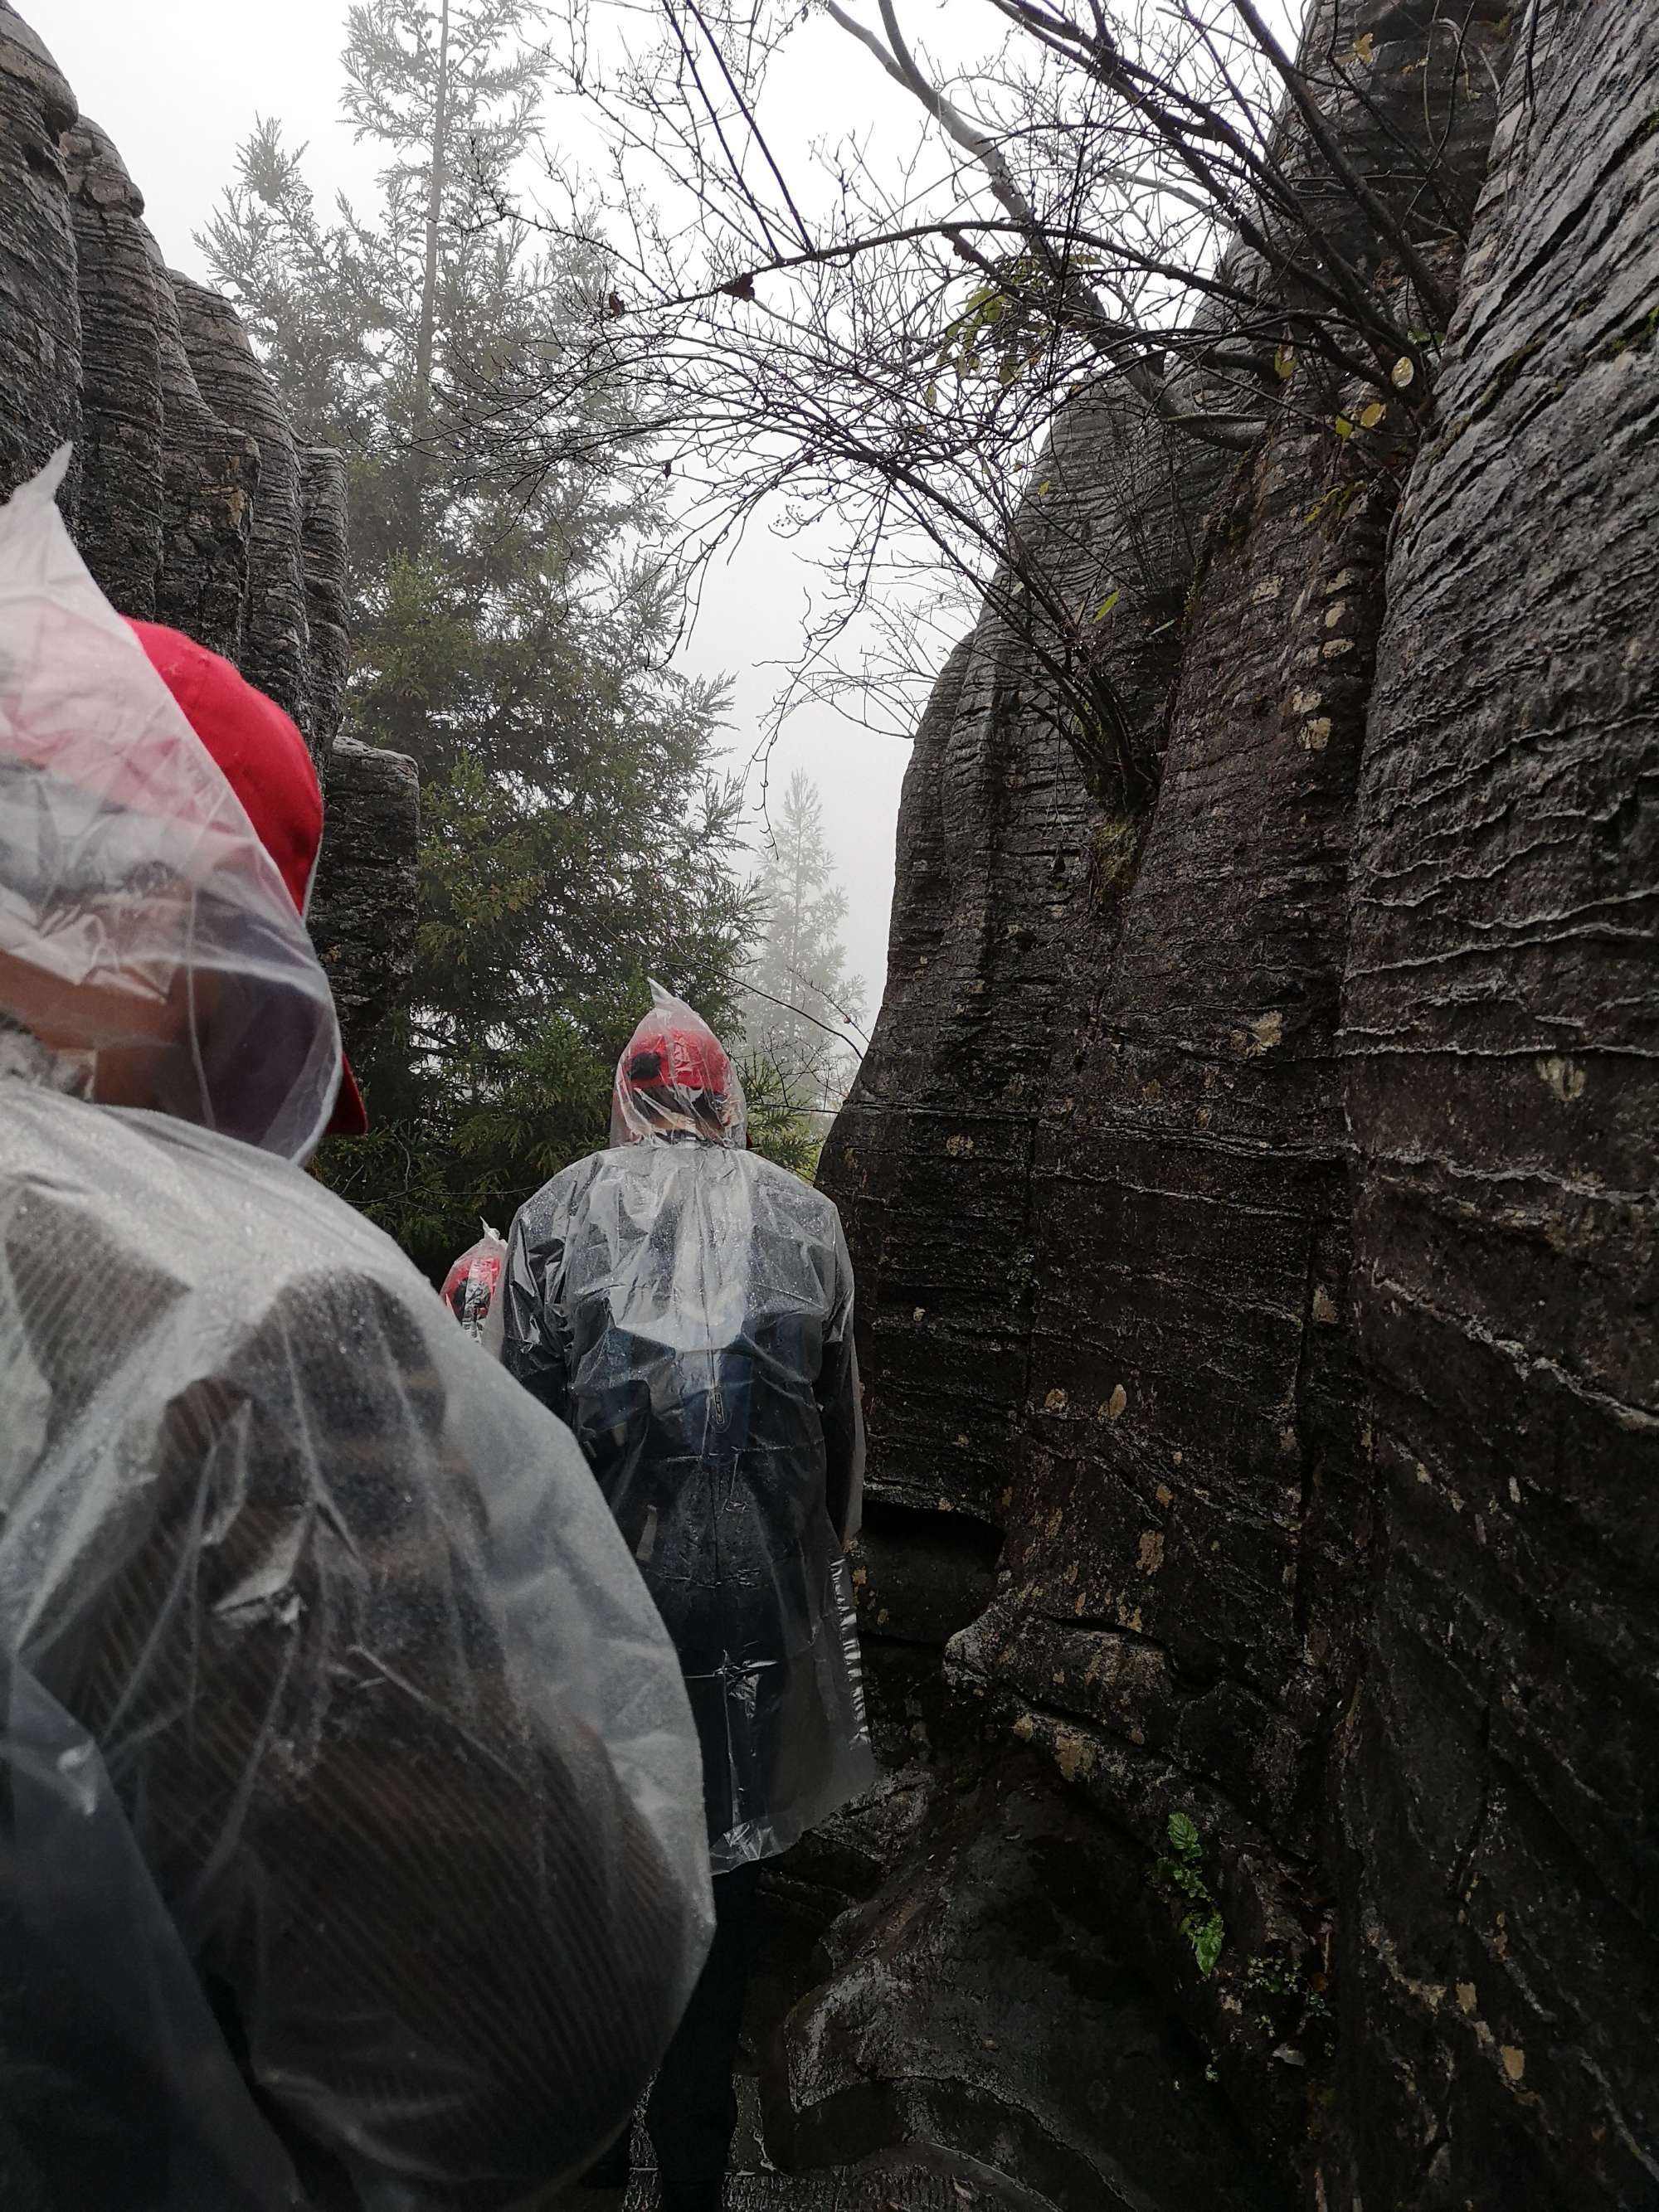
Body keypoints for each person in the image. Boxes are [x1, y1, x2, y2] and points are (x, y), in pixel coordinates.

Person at [0, 450, 714, 2210]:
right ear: (149, 926)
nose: (252, 1134)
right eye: (243, 1039)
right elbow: (551, 2024)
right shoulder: (260, 1347)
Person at [503, 982, 878, 2212]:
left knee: (601, 1922)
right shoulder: (807, 1222)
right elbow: (841, 1453)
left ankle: (596, 2169)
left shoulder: (557, 1216)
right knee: (726, 1898)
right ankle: (699, 2176)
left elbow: (512, 1447)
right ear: (728, 1104)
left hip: (596, 1635)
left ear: (628, 1097)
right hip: (754, 1635)